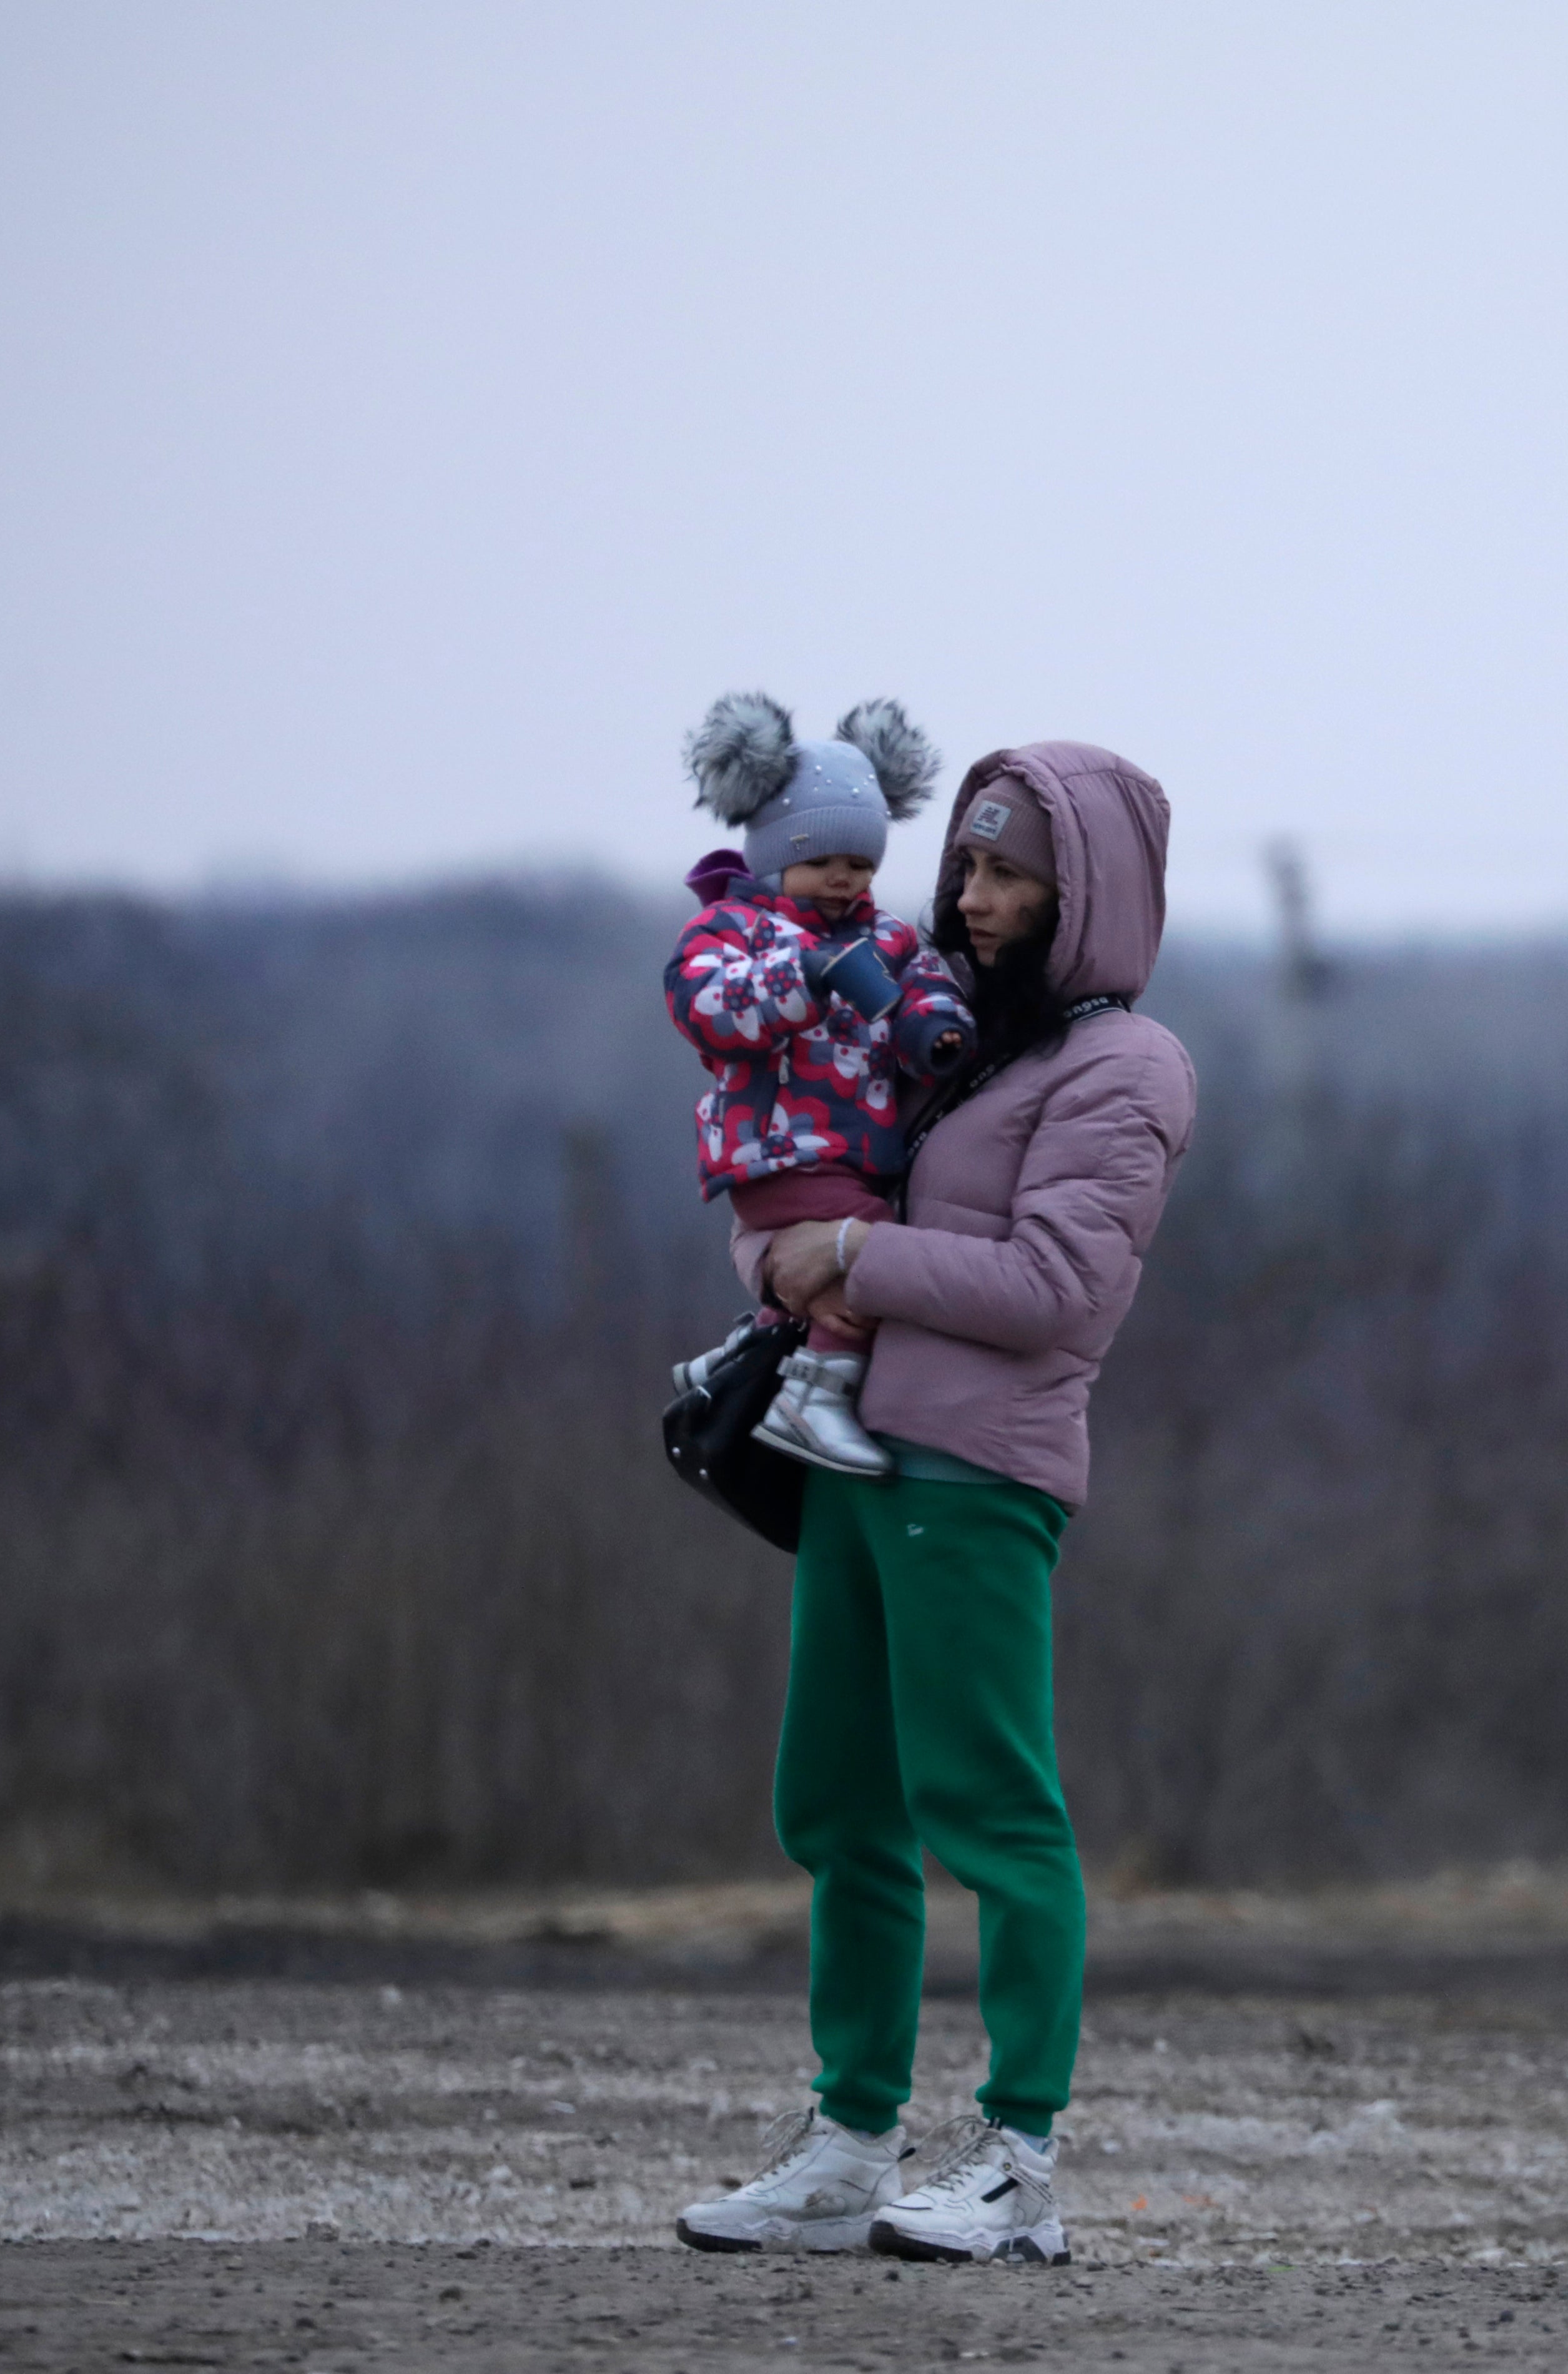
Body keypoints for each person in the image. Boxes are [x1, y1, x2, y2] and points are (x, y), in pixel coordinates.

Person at [674, 741, 1195, 2267]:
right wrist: (778, 1246)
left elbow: (1054, 1289)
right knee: (834, 1806)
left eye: (1008, 870)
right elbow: (830, 1181)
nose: (970, 899)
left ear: (1082, 892)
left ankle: (1019, 2166)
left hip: (979, 1478)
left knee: (993, 1813)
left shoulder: (1125, 1068)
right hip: (857, 1457)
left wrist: (847, 1261)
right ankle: (850, 2150)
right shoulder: (967, 1046)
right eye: (963, 866)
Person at [664, 692, 979, 1475]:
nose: (843, 881)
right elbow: (704, 1008)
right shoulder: (734, 931)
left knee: (855, 1251)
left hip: (853, 1152)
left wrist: (933, 1030)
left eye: (861, 864)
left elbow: (924, 986)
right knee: (875, 1254)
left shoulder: (888, 937)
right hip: (778, 1153)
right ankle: (816, 1395)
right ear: (774, 854)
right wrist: (802, 976)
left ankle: (753, 1349)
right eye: (822, 861)